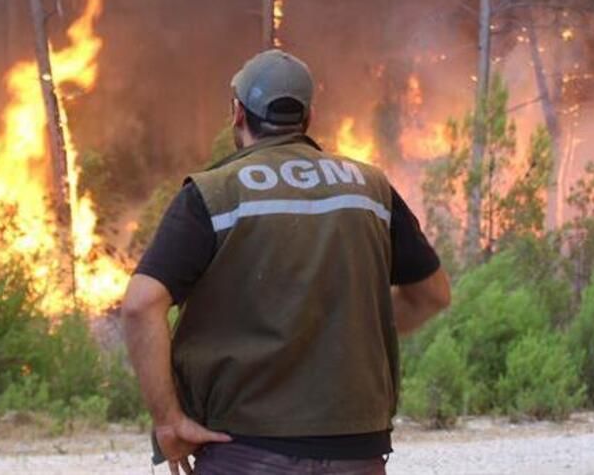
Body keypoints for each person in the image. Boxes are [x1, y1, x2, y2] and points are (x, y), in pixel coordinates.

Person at [122, 50, 451, 475]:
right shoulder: (371, 190)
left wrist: (169, 422)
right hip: (356, 451)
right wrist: (347, 335)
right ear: (308, 116)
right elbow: (432, 295)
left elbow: (139, 304)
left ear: (238, 113)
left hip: (245, 447)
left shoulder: (214, 194)